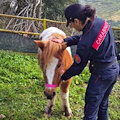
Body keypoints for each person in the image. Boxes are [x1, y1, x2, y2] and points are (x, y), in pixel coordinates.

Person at [50, 3, 119, 120]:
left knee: (90, 113)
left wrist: (62, 77)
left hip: (100, 76)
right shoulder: (101, 22)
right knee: (103, 105)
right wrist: (64, 41)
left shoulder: (85, 43)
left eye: (71, 24)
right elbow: (85, 38)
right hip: (114, 70)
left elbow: (77, 67)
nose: (72, 27)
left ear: (76, 21)